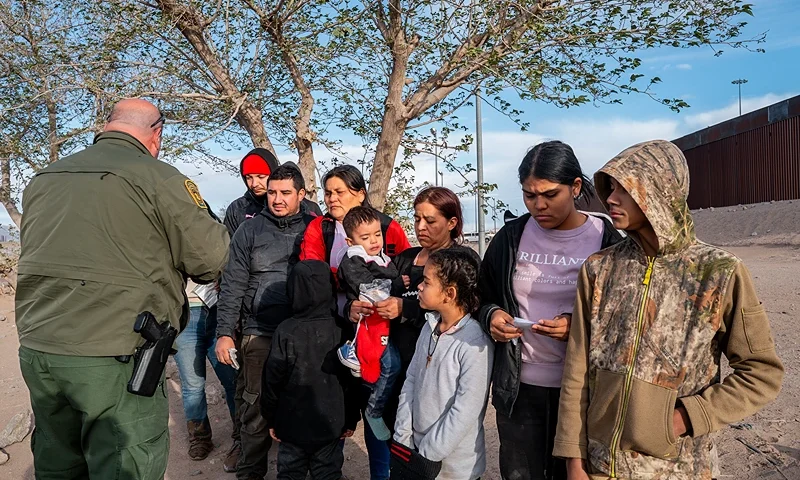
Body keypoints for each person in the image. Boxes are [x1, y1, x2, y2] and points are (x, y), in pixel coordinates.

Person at [15, 98, 229, 480]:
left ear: (107, 125)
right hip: (115, 356)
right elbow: (211, 261)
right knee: (125, 462)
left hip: (40, 349)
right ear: (157, 134)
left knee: (58, 459)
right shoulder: (159, 178)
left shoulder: (45, 178)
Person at [553, 140, 784, 479]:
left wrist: (682, 418)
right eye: (611, 188)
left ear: (661, 192)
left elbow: (761, 373)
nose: (611, 198)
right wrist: (574, 460)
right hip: (601, 466)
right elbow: (577, 371)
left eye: (626, 189)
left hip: (680, 468)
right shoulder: (598, 269)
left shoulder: (719, 272)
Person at [477, 141, 622, 480]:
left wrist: (577, 326)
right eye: (529, 195)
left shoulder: (607, 240)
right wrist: (493, 316)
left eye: (549, 194)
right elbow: (481, 297)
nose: (538, 205)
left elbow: (624, 315)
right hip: (518, 391)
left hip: (583, 392)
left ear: (575, 187)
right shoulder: (511, 237)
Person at [348, 187, 478, 480]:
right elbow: (372, 288)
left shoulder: (461, 260)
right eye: (417, 218)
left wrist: (405, 308)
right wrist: (358, 308)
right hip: (390, 367)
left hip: (429, 374)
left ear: (452, 222)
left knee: (427, 452)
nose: (420, 227)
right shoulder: (405, 259)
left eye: (430, 221)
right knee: (386, 445)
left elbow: (464, 312)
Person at [215, 165, 315, 480]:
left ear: (301, 194)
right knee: (254, 410)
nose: (277, 199)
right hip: (258, 334)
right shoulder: (249, 230)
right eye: (272, 192)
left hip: (304, 335)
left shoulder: (316, 228)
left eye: (285, 193)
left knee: (304, 408)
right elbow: (232, 284)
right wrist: (224, 334)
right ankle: (250, 472)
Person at [393, 249, 493, 480]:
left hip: (455, 469)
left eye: (426, 282)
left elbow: (465, 410)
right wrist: (404, 435)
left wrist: (428, 452)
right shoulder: (429, 328)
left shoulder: (475, 343)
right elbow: (411, 381)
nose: (419, 286)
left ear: (449, 293)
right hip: (415, 455)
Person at [261, 260, 361, 480]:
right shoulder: (342, 328)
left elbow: (271, 381)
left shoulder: (286, 330)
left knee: (290, 473)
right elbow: (354, 381)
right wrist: (351, 419)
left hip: (290, 425)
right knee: (328, 473)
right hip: (331, 425)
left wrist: (271, 419)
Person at [337, 206, 409, 441]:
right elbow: (371, 290)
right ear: (350, 241)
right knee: (391, 365)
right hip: (370, 326)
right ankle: (373, 410)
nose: (374, 241)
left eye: (377, 234)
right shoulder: (353, 260)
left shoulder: (381, 257)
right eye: (365, 237)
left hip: (386, 322)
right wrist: (398, 285)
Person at [175, 281, 238, 461]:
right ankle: (200, 438)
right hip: (184, 313)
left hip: (219, 310)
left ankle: (242, 436)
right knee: (192, 385)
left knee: (232, 379)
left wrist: (224, 277)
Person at [225, 148, 322, 237]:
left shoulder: (308, 208)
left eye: (261, 177)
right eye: (248, 177)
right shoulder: (237, 209)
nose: (254, 184)